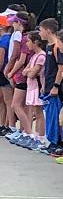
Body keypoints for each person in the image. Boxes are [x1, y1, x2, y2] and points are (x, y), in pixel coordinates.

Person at [5, 12, 35, 143]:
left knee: (15, 105)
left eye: (14, 22)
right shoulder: (26, 37)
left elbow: (21, 59)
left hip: (22, 76)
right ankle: (24, 132)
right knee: (23, 105)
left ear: (19, 23)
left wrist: (11, 72)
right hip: (24, 76)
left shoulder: (24, 38)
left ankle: (28, 134)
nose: (12, 24)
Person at [38, 19, 63, 156]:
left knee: (55, 116)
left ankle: (56, 143)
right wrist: (43, 84)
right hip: (47, 86)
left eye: (41, 30)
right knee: (49, 115)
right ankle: (51, 141)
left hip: (54, 89)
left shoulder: (56, 47)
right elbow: (47, 69)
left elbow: (60, 69)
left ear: (48, 30)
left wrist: (55, 86)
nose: (40, 33)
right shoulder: (48, 47)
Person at [21, 31, 47, 150]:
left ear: (36, 42)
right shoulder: (33, 56)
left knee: (39, 113)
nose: (27, 44)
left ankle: (40, 138)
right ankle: (35, 137)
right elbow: (24, 71)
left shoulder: (41, 56)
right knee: (33, 111)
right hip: (31, 87)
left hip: (37, 87)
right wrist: (29, 70)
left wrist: (29, 71)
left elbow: (31, 74)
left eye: (29, 41)